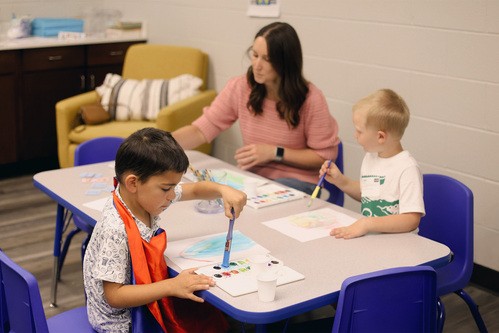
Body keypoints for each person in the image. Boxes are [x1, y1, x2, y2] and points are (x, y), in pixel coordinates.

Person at [83, 127, 247, 333]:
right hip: (123, 323)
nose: (172, 196)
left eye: (173, 187)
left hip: (143, 295)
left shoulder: (141, 196)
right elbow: (114, 296)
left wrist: (223, 190)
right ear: (133, 182)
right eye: (166, 189)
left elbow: (195, 189)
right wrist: (171, 286)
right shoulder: (115, 228)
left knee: (210, 317)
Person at [172, 22, 340, 195]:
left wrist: (275, 152)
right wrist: (160, 146)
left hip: (299, 184)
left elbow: (325, 156)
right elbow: (201, 130)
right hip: (254, 181)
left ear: (285, 63)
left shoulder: (311, 98)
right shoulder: (241, 87)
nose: (257, 65)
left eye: (267, 59)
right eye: (255, 55)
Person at [319, 89, 424, 239]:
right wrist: (341, 181)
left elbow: (411, 220)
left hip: (399, 245)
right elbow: (368, 195)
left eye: (359, 131)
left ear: (380, 136)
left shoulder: (407, 168)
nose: (355, 136)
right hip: (373, 242)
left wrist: (366, 223)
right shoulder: (371, 157)